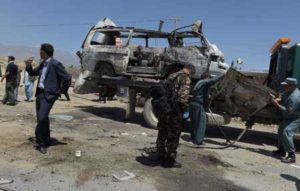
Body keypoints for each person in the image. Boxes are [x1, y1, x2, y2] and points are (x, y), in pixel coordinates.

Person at [26, 43, 71, 154]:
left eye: (40, 51)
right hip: (40, 94)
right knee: (42, 118)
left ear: (44, 52)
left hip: (49, 95)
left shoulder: (55, 64)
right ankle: (47, 140)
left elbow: (67, 78)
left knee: (42, 117)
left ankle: (41, 143)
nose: (39, 52)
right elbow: (32, 73)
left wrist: (61, 91)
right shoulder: (42, 64)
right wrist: (28, 65)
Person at [156, 64, 194, 168]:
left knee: (162, 132)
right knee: (173, 135)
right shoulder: (185, 78)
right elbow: (183, 97)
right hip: (174, 111)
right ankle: (169, 160)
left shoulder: (171, 76)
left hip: (164, 109)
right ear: (190, 71)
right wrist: (185, 110)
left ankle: (159, 156)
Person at [190, 72, 225, 145]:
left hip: (194, 104)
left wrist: (207, 96)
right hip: (198, 105)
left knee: (195, 123)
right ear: (207, 77)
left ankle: (194, 139)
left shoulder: (199, 83)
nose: (210, 79)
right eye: (209, 77)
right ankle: (198, 141)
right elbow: (212, 81)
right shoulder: (204, 82)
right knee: (201, 123)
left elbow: (200, 93)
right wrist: (222, 74)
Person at [271, 77, 300, 163]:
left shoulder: (295, 97)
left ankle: (292, 155)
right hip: (289, 117)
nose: (284, 87)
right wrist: (279, 99)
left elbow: (288, 112)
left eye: (286, 86)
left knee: (287, 131)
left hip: (296, 118)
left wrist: (276, 104)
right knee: (281, 130)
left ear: (292, 86)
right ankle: (282, 150)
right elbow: (284, 96)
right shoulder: (289, 92)